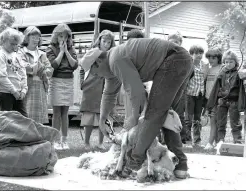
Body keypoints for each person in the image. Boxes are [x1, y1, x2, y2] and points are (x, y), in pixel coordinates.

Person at [81, 38, 193, 179]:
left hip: (174, 59)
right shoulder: (112, 66)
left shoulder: (116, 60)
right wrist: (103, 119)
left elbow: (137, 93)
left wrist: (133, 118)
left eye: (95, 73)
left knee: (154, 113)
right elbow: (108, 94)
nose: (98, 77)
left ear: (98, 62)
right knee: (164, 115)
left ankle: (132, 165)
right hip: (181, 59)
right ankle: (180, 166)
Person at [79, 30, 116, 150]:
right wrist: (82, 83)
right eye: (104, 41)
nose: (106, 44)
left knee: (103, 115)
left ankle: (101, 142)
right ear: (99, 40)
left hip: (106, 86)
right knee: (89, 116)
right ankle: (86, 143)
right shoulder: (92, 52)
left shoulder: (113, 54)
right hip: (91, 86)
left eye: (109, 42)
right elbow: (82, 66)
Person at [46, 24, 79, 150]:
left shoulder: (71, 48)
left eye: (66, 36)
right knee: (56, 113)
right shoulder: (50, 49)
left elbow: (74, 65)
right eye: (60, 36)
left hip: (68, 81)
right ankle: (55, 140)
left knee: (65, 113)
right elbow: (54, 65)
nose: (63, 39)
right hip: (56, 80)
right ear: (56, 36)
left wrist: (66, 51)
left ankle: (64, 140)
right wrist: (60, 52)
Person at [206, 50, 246, 152]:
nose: (228, 64)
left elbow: (242, 90)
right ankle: (220, 141)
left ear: (235, 62)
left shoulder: (238, 74)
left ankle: (237, 141)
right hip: (222, 102)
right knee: (221, 123)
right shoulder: (221, 73)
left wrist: (241, 105)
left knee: (235, 123)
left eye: (231, 62)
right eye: (226, 62)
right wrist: (210, 104)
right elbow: (215, 89)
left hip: (234, 102)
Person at [17, 26, 54, 124]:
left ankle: (37, 137)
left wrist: (37, 69)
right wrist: (39, 68)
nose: (36, 39)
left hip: (40, 87)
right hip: (26, 87)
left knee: (39, 117)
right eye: (33, 37)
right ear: (26, 38)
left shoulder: (42, 54)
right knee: (26, 114)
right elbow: (23, 68)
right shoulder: (21, 52)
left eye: (38, 37)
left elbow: (50, 70)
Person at [0, 28, 27, 116]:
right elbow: (1, 76)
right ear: (3, 41)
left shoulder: (16, 55)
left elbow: (23, 73)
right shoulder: (0, 55)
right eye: (12, 44)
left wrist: (24, 90)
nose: (15, 47)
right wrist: (14, 91)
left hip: (18, 93)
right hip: (5, 93)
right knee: (7, 122)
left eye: (16, 44)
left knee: (25, 120)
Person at [167, 31, 189, 144]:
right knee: (166, 113)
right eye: (172, 42)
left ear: (180, 43)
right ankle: (168, 137)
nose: (174, 44)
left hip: (180, 88)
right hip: (166, 88)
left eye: (177, 42)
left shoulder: (184, 56)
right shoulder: (165, 55)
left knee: (179, 113)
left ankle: (182, 137)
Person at [185, 45, 208, 147]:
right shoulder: (188, 64)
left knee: (197, 119)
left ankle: (197, 141)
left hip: (200, 95)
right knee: (188, 118)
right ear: (191, 54)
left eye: (200, 53)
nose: (199, 55)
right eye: (196, 53)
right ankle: (187, 140)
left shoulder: (204, 65)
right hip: (190, 94)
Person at [203, 47, 223, 150]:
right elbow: (204, 79)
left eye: (213, 58)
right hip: (208, 98)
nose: (210, 60)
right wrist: (205, 69)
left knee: (213, 121)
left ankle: (210, 143)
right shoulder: (209, 69)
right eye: (209, 57)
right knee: (213, 121)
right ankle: (216, 142)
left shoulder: (221, 68)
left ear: (218, 58)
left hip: (216, 99)